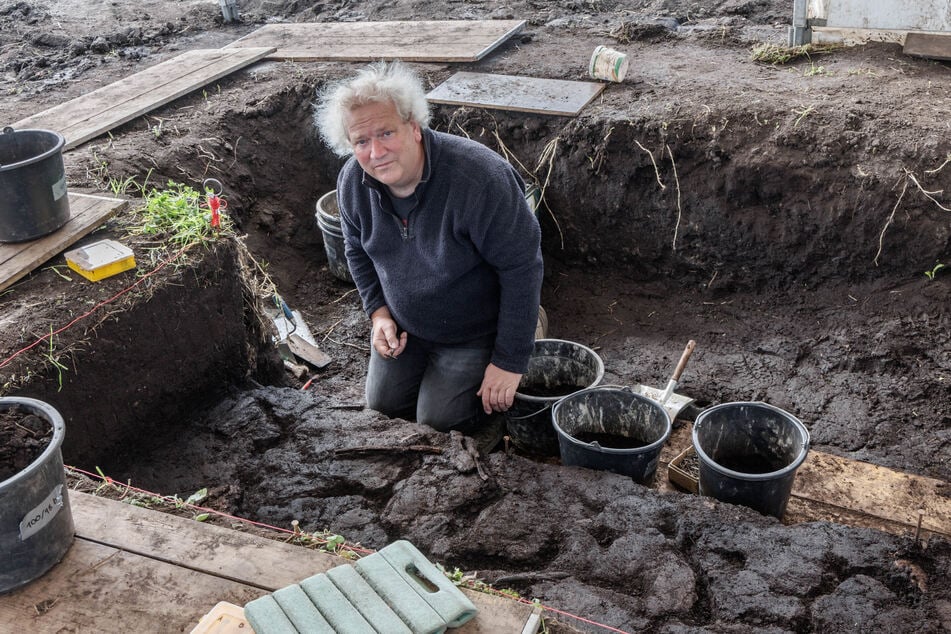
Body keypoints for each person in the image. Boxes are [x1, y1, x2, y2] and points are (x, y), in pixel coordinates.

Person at [315, 61, 543, 436]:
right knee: (383, 408)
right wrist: (379, 314)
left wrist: (509, 360)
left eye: (386, 132)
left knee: (438, 423)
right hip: (408, 325)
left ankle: (531, 325)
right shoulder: (353, 183)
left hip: (473, 329)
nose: (376, 152)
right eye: (361, 141)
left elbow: (522, 268)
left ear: (414, 127)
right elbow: (355, 249)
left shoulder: (480, 180)